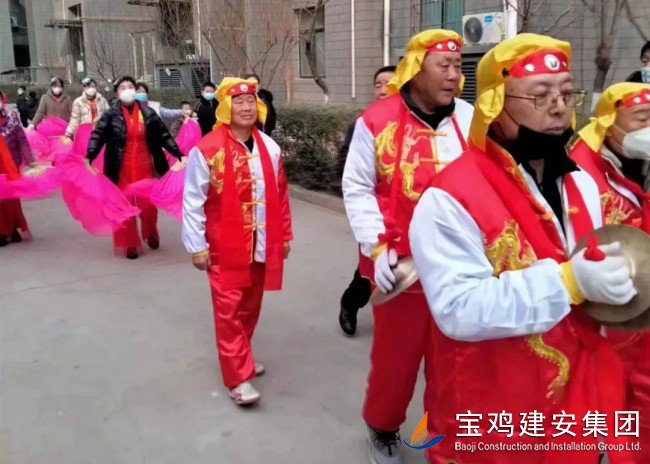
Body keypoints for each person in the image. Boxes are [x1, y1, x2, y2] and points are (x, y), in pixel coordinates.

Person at [409, 33, 637, 464]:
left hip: (573, 390)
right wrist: (567, 282)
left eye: (566, 93)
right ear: (495, 104)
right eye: (540, 95)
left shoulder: (581, 183)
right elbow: (458, 307)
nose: (558, 106)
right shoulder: (450, 197)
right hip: (493, 397)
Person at [342, 29, 473, 464]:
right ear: (416, 69)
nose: (454, 75)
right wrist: (376, 246)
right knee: (395, 361)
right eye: (444, 65)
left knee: (455, 361)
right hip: (401, 265)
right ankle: (382, 427)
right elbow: (358, 187)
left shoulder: (472, 119)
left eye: (458, 66)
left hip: (461, 265)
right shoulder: (376, 120)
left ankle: (446, 441)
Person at [182, 77, 292, 406]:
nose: (246, 107)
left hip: (260, 244)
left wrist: (285, 235)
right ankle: (237, 377)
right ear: (227, 108)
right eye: (239, 101)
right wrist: (197, 246)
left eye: (250, 101)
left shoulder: (270, 148)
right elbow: (192, 201)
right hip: (222, 247)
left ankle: (242, 357)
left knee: (250, 306)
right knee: (229, 311)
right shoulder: (208, 149)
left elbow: (281, 196)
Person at [570, 82, 650, 462]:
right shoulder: (582, 172)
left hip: (643, 302)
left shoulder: (639, 159)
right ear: (609, 123)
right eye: (642, 119)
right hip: (611, 312)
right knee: (614, 402)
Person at [86, 76, 185, 259]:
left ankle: (150, 231)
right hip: (120, 167)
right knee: (124, 205)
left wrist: (178, 153)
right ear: (117, 93)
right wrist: (90, 155)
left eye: (130, 86)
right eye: (122, 87)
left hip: (145, 165)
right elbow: (97, 136)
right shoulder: (110, 115)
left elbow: (164, 135)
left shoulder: (148, 113)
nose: (127, 90)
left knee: (148, 206)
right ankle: (130, 243)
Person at [338, 65, 396, 336]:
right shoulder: (365, 123)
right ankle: (350, 303)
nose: (383, 89)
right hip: (376, 211)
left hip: (411, 212)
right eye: (378, 84)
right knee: (371, 265)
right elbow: (348, 165)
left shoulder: (417, 122)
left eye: (389, 83)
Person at [0, 91, 36, 246]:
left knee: (12, 200)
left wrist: (30, 160)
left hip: (11, 166)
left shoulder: (12, 118)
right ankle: (2, 232)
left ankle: (13, 228)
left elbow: (22, 141)